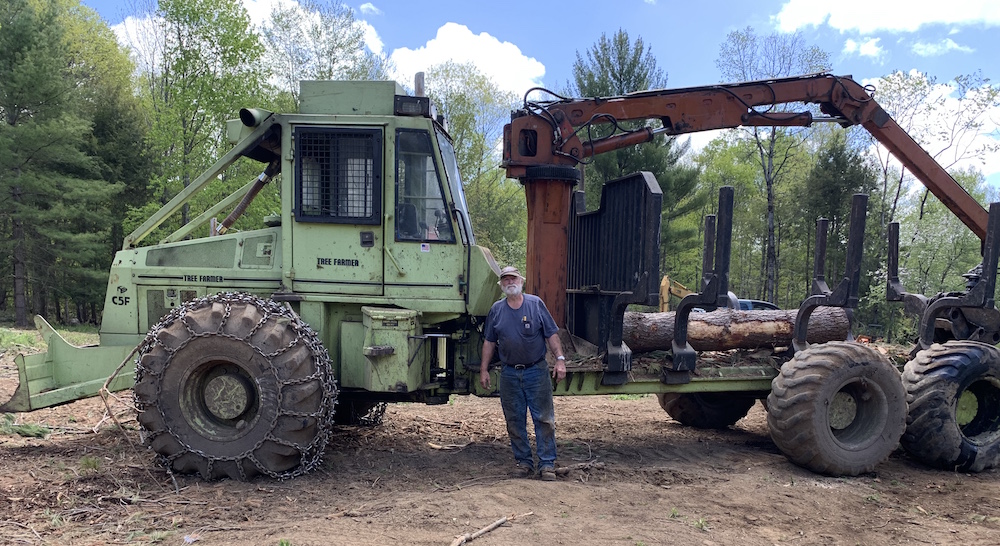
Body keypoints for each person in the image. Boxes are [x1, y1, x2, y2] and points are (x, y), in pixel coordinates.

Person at [480, 266, 567, 481]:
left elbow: (551, 334)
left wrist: (560, 360)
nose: (510, 282)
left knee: (544, 418)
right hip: (509, 373)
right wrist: (484, 369)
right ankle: (524, 462)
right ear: (501, 285)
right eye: (505, 279)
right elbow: (489, 341)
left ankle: (547, 464)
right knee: (514, 419)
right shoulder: (497, 310)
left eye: (513, 278)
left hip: (535, 371)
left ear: (521, 281)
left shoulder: (535, 304)